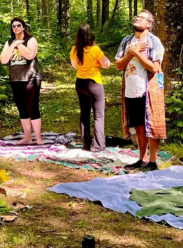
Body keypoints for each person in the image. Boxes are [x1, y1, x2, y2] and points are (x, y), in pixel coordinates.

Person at [115, 10, 167, 170]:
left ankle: (152, 162)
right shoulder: (126, 41)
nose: (137, 18)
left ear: (149, 24)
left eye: (142, 18)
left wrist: (137, 53)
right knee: (138, 125)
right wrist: (131, 53)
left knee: (151, 124)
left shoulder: (153, 41)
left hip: (149, 89)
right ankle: (142, 158)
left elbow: (154, 68)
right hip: (131, 88)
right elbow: (118, 65)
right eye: (137, 16)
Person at [0, 17, 42, 145]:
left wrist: (19, 44)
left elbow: (30, 55)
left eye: (18, 25)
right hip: (15, 78)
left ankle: (38, 138)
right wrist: (13, 44)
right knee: (22, 107)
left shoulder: (31, 40)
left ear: (23, 27)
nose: (16, 27)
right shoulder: (9, 42)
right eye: (13, 26)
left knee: (32, 106)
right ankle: (27, 137)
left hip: (31, 77)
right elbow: (3, 60)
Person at [70, 24, 110, 152]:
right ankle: (98, 146)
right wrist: (97, 63)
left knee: (84, 114)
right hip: (94, 83)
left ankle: (86, 144)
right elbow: (107, 64)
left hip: (80, 83)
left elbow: (75, 66)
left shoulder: (74, 49)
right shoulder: (95, 50)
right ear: (91, 34)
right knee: (98, 115)